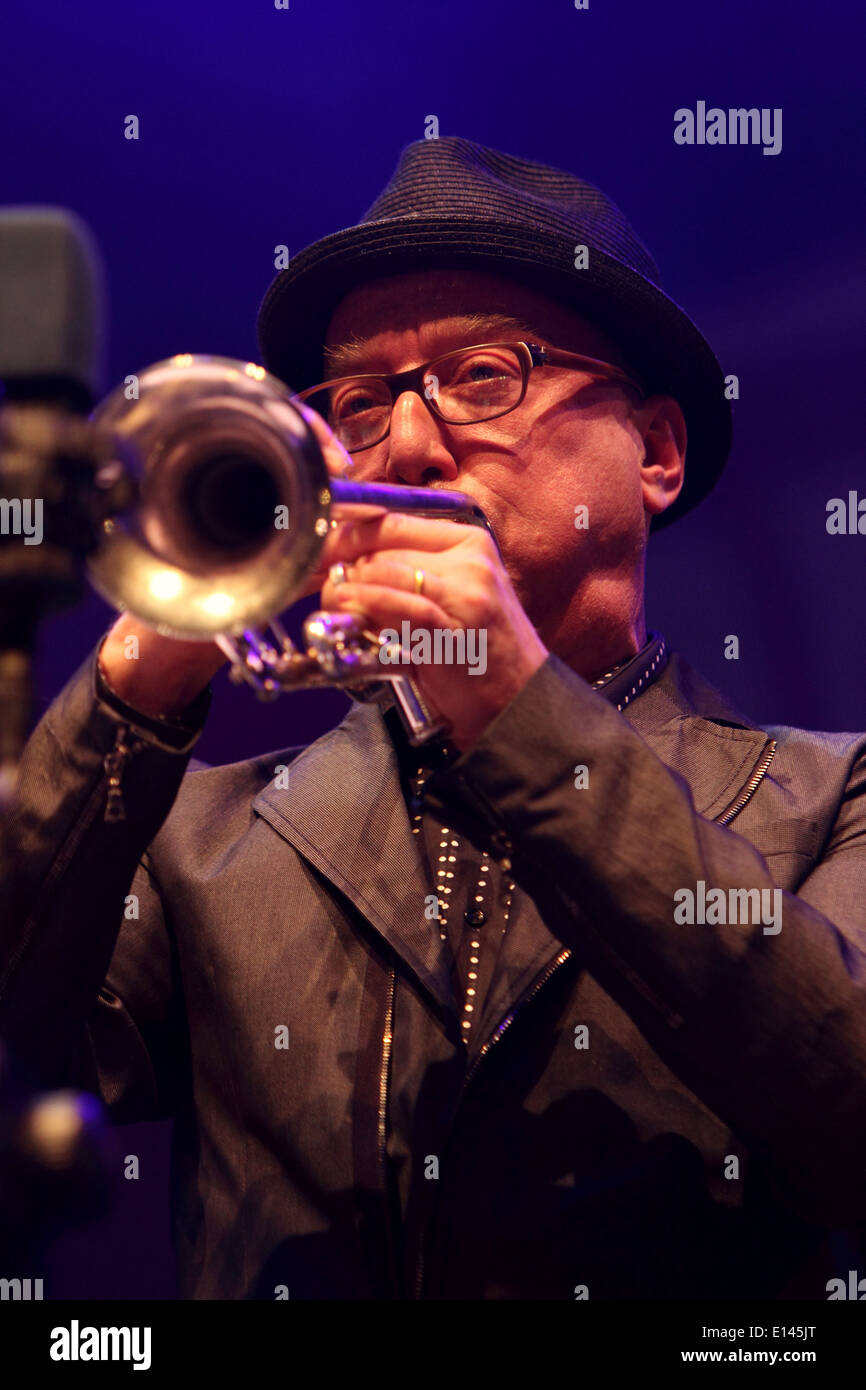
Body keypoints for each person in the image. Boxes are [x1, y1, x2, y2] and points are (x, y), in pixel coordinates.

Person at [3, 137, 866, 1301]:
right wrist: (138, 674)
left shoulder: (827, 799)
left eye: (479, 377)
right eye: (359, 404)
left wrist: (515, 708)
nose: (405, 446)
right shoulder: (202, 837)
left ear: (654, 450)